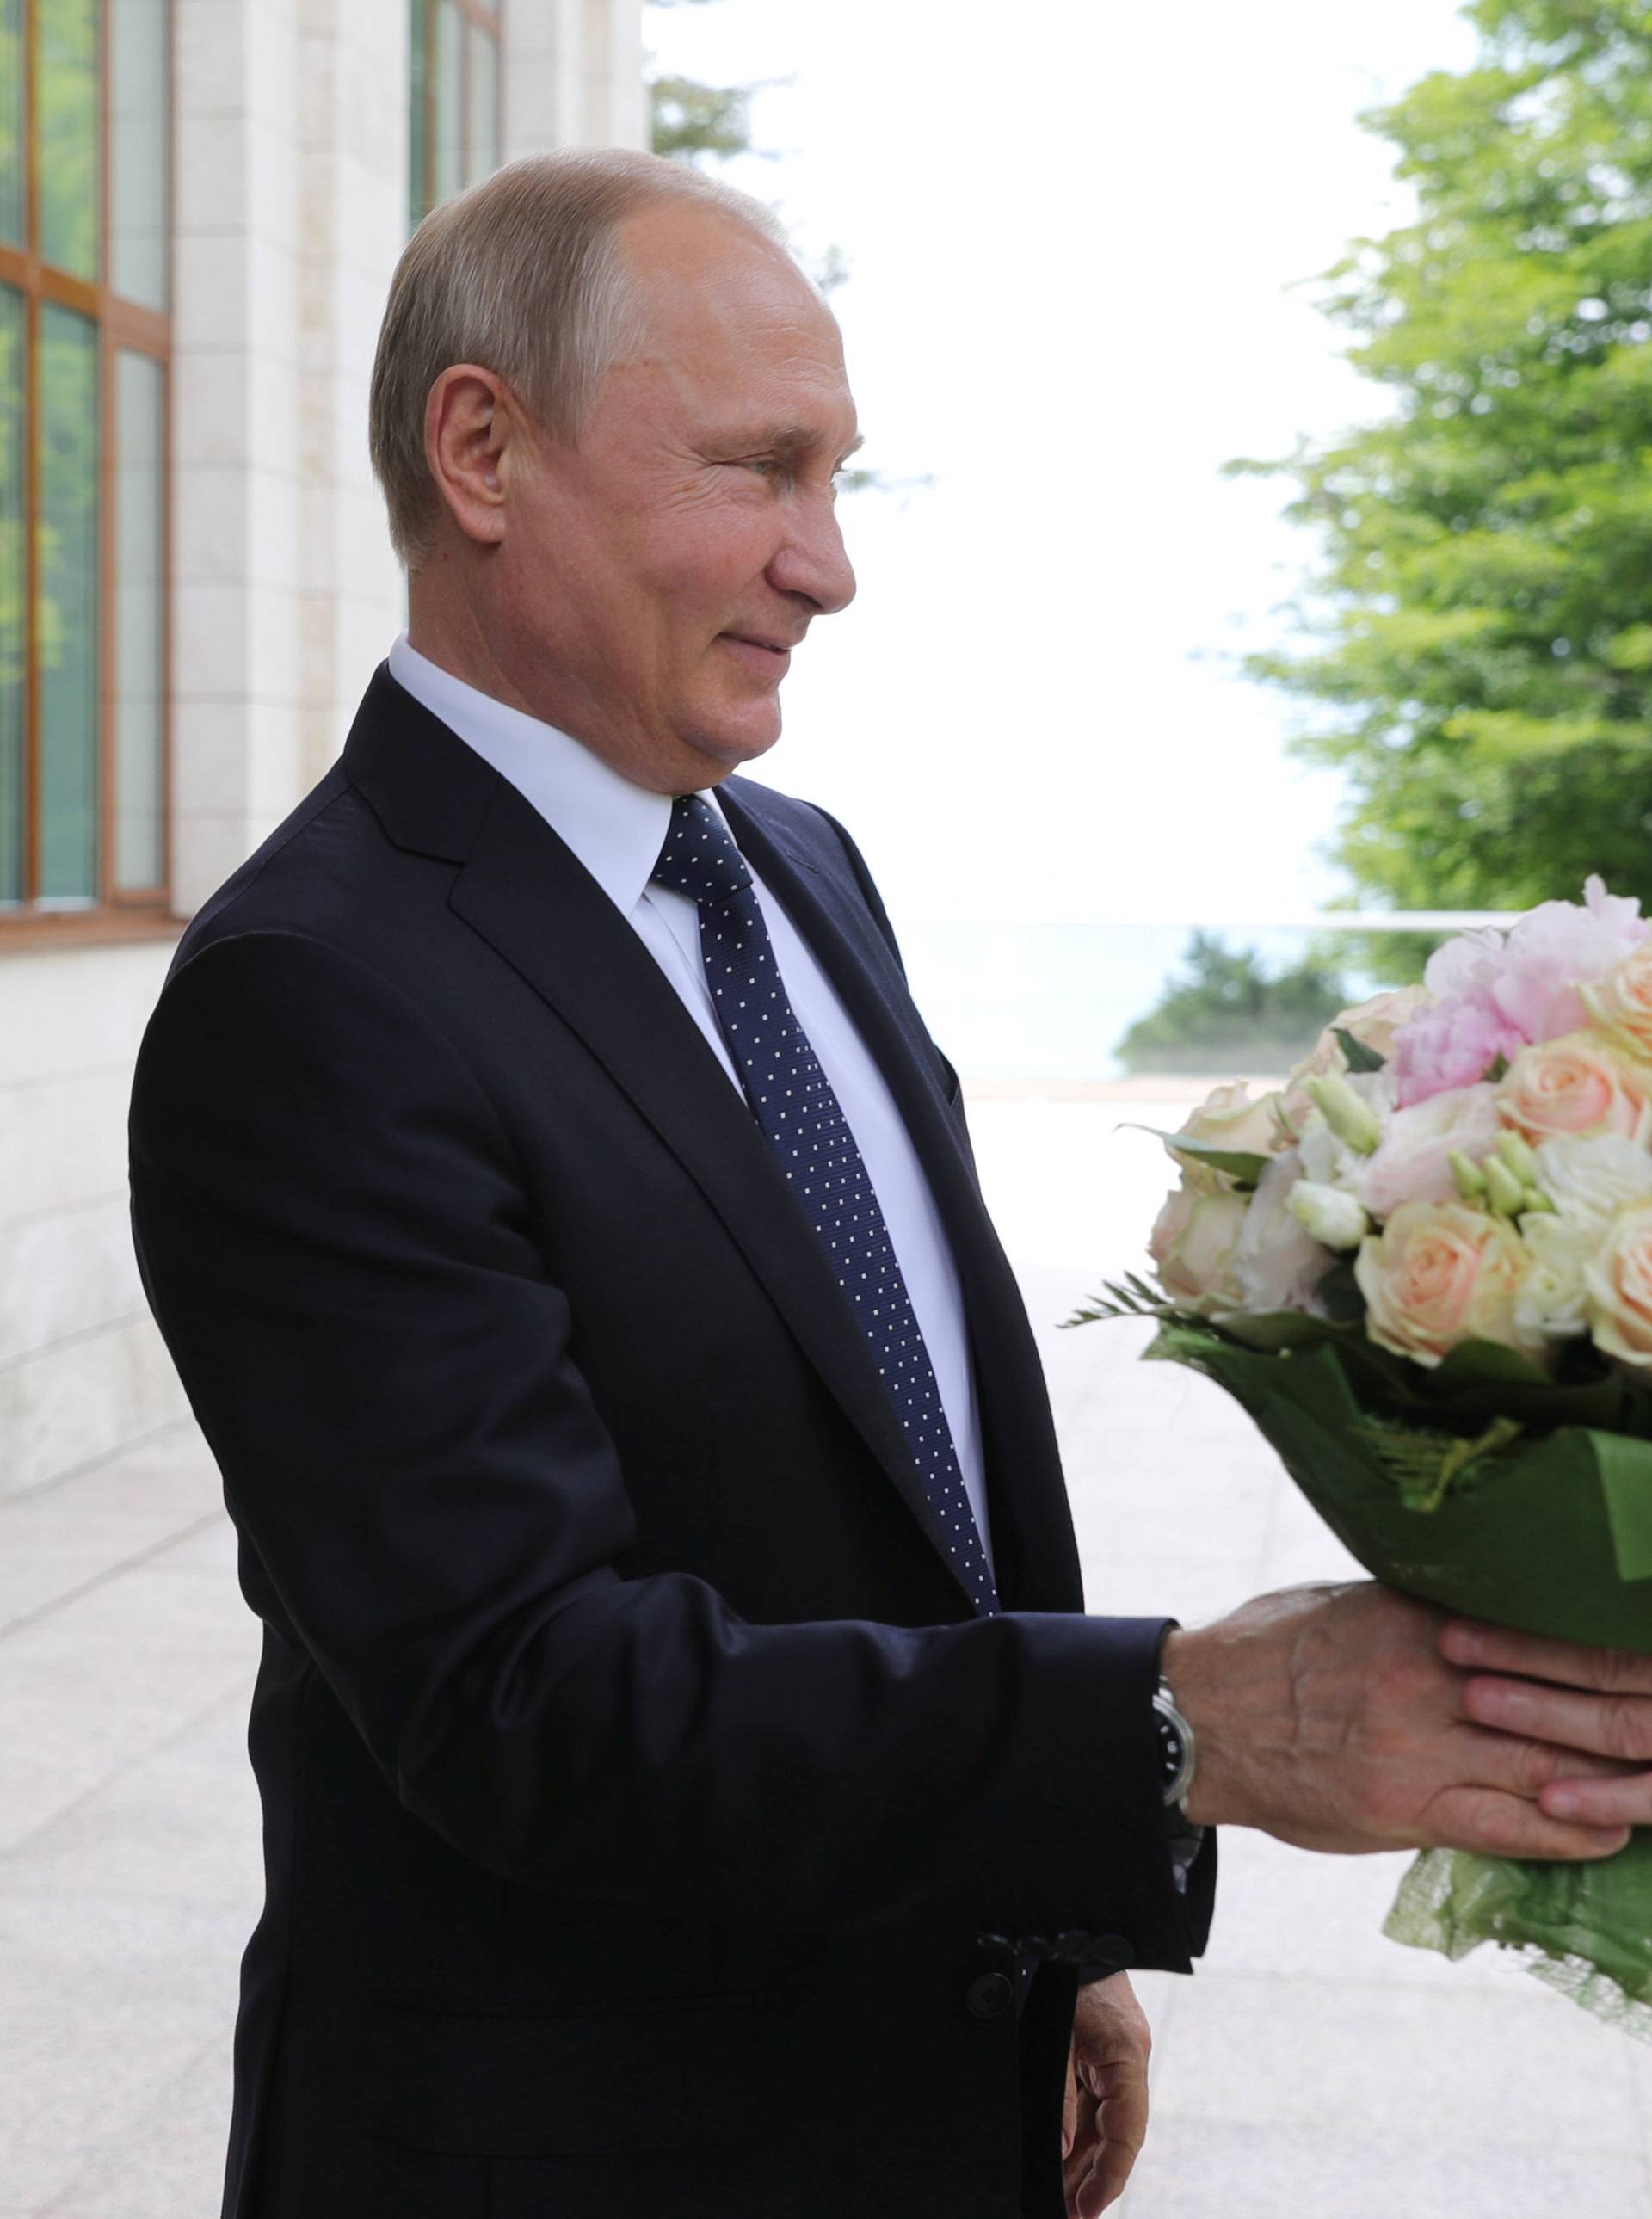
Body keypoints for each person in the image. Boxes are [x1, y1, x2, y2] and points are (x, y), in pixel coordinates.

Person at [126, 150, 1652, 2219]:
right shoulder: (310, 993)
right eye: (759, 472)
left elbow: (926, 1467)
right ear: (481, 450)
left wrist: (1065, 1919)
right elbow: (524, 1697)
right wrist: (1187, 1725)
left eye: (839, 481)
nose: (826, 565)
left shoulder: (799, 868)